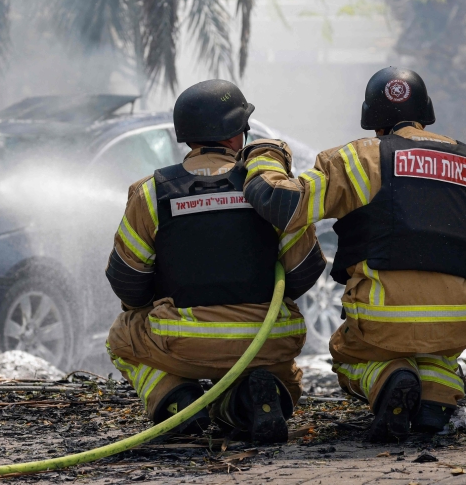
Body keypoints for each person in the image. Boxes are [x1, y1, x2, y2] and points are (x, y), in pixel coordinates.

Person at [239, 67, 466, 442]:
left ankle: (389, 379)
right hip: (462, 313)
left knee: (349, 354)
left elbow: (282, 203)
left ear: (372, 120)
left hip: (384, 311)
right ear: (425, 113)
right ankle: (435, 401)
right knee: (437, 353)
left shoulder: (359, 159)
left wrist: (265, 154)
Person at [105, 79, 326, 444]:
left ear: (185, 135)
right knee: (281, 379)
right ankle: (247, 401)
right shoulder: (270, 190)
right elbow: (305, 270)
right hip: (267, 338)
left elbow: (127, 280)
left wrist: (153, 306)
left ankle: (176, 399)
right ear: (239, 135)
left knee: (120, 337)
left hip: (183, 340)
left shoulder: (151, 193)